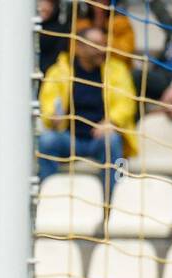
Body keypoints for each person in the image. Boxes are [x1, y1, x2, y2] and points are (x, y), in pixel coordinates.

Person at [37, 26, 138, 192]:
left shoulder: (117, 70)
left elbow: (127, 102)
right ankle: (47, 196)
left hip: (100, 137)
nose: (102, 49)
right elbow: (47, 102)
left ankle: (114, 200)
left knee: (112, 142)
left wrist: (111, 121)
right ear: (79, 46)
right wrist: (53, 117)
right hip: (68, 137)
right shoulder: (59, 71)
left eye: (103, 44)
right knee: (47, 141)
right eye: (96, 44)